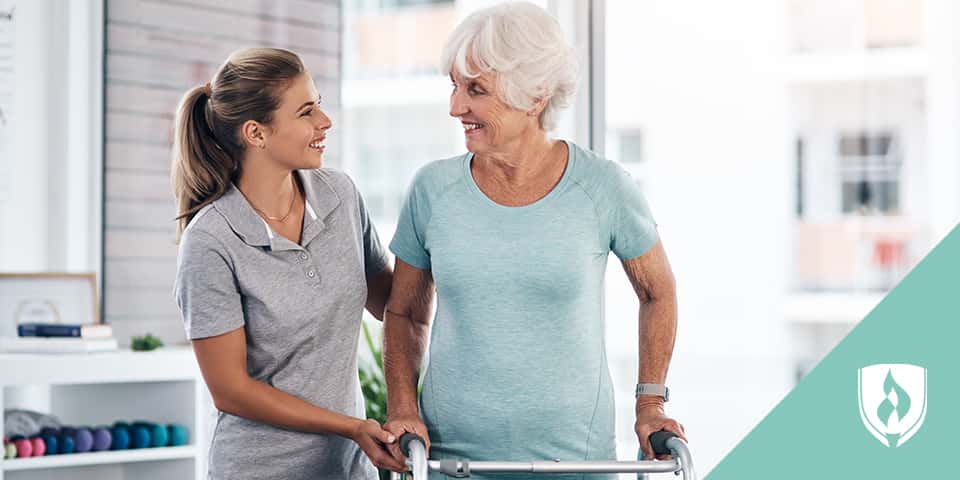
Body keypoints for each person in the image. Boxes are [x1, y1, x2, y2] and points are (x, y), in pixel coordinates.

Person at [382, 3, 686, 478]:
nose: (456, 107)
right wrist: (402, 406)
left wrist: (650, 402)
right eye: (454, 86)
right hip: (450, 459)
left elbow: (657, 291)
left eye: (476, 90)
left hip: (576, 459)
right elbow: (404, 312)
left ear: (536, 93)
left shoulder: (603, 187)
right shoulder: (432, 190)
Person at [171, 47, 405, 479]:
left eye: (320, 104)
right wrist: (351, 427)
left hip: (349, 468)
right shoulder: (211, 240)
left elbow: (390, 302)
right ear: (256, 133)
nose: (324, 122)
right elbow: (231, 391)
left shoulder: (340, 195)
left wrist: (446, 248)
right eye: (306, 111)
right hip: (261, 469)